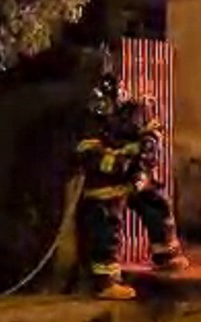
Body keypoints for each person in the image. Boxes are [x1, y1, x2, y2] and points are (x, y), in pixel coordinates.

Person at [74, 73, 188, 300]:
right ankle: (106, 281)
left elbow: (152, 138)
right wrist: (118, 163)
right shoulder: (90, 121)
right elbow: (89, 155)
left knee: (155, 202)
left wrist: (142, 165)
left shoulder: (135, 111)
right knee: (105, 223)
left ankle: (165, 254)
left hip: (134, 174)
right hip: (105, 182)